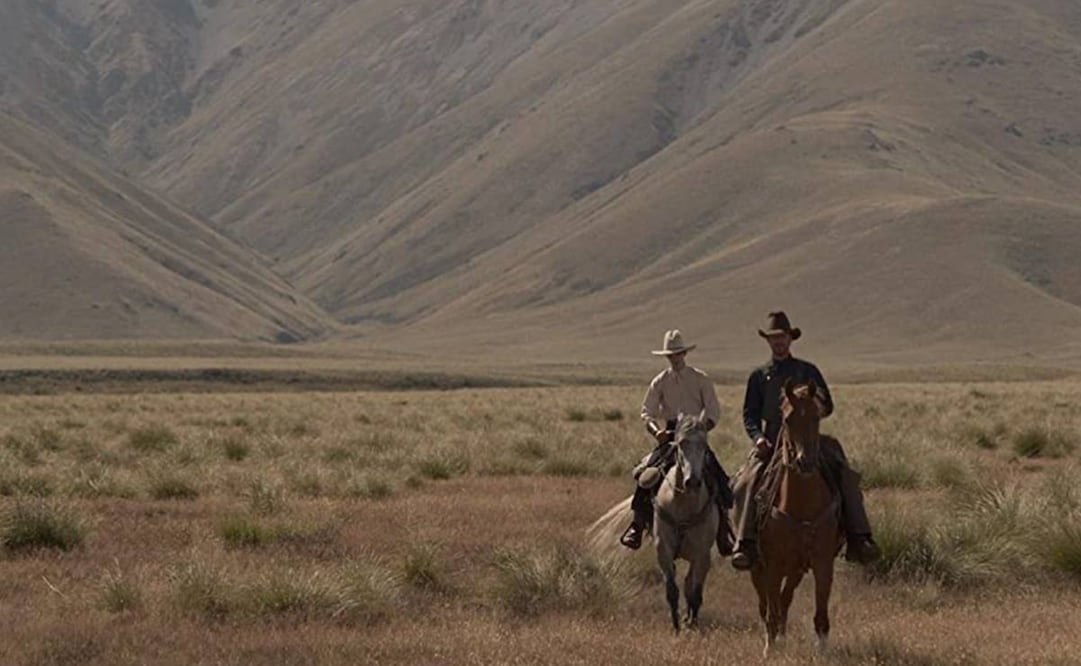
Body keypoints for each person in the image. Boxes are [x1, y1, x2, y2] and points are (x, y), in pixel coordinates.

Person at [730, 312, 879, 571]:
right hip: (772, 439)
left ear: (790, 339)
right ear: (768, 341)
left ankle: (859, 538)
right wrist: (758, 438)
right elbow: (749, 415)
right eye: (774, 338)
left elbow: (828, 406)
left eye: (783, 337)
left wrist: (811, 407)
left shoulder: (807, 371)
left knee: (845, 475)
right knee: (745, 482)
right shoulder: (759, 375)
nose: (779, 342)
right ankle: (745, 542)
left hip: (808, 437)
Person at [620, 330, 734, 554]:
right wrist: (657, 432)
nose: (675, 358)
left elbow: (713, 411)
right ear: (666, 357)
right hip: (669, 435)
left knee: (719, 479)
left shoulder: (700, 378)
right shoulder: (660, 381)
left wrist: (700, 431)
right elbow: (647, 412)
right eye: (671, 355)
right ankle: (637, 525)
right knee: (646, 477)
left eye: (678, 353)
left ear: (685, 354)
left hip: (695, 435)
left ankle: (724, 532)